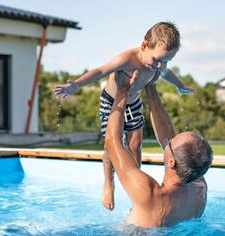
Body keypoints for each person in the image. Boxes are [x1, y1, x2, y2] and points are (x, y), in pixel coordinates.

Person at [53, 22, 194, 211]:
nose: (160, 66)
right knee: (112, 144)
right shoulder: (128, 59)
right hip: (112, 102)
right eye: (157, 60)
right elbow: (101, 71)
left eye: (166, 61)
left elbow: (166, 73)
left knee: (135, 143)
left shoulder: (158, 64)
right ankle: (108, 184)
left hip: (134, 102)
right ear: (145, 46)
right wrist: (76, 85)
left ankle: (136, 183)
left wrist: (180, 85)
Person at [105, 70, 213, 228]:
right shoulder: (199, 187)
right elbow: (167, 134)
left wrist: (122, 91)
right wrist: (150, 87)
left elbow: (112, 141)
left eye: (171, 142)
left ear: (171, 162)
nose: (169, 139)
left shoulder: (149, 194)